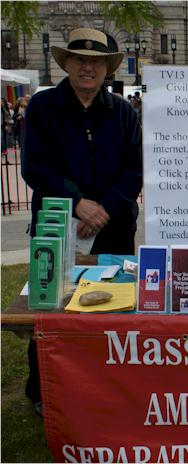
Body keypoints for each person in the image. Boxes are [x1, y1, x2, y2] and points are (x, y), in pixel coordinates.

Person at [21, 28, 143, 415]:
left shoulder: (122, 112)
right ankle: (44, 390)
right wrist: (78, 204)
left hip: (114, 225)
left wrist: (103, 207)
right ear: (67, 64)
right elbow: (35, 166)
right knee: (53, 306)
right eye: (80, 59)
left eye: (96, 61)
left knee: (116, 305)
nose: (88, 67)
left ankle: (107, 386)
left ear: (107, 68)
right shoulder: (43, 108)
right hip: (60, 226)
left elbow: (134, 170)